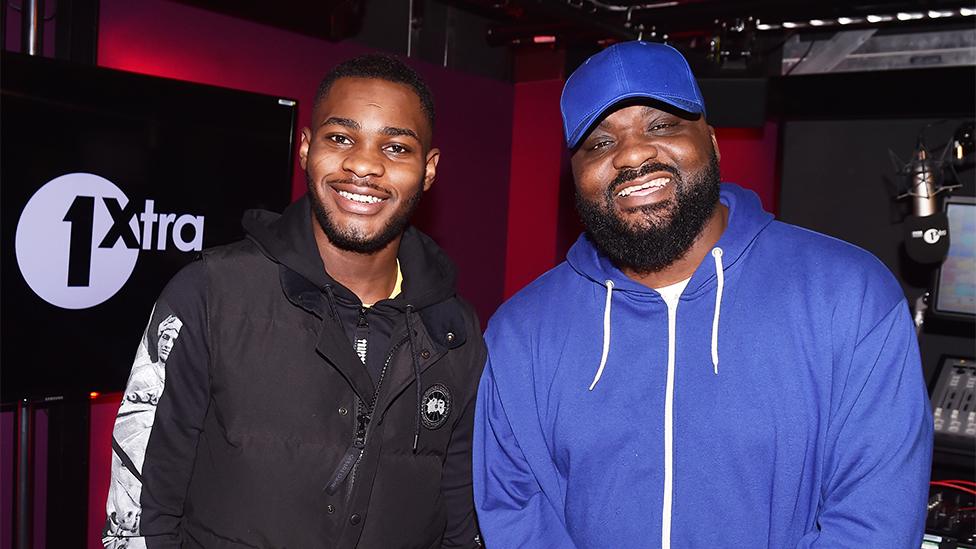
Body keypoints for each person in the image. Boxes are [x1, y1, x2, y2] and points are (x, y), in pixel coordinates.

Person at [473, 41, 933, 548]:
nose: (633, 154)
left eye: (662, 125)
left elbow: (874, 521)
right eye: (599, 143)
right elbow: (517, 514)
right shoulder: (521, 332)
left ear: (712, 143)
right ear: (576, 177)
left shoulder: (849, 296)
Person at [104, 53, 486, 549]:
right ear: (305, 148)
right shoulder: (210, 293)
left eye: (395, 147)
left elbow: (461, 519)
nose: (364, 164)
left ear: (429, 170)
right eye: (341, 138)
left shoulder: (455, 330)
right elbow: (138, 512)